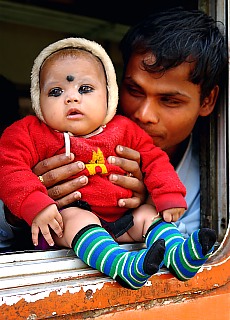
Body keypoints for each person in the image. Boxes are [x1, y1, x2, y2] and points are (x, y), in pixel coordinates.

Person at [0, 37, 216, 290]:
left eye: (85, 89)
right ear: (38, 101)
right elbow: (9, 167)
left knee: (148, 214)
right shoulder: (28, 133)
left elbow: (154, 160)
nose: (71, 99)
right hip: (69, 224)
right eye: (55, 92)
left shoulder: (125, 130)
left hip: (123, 220)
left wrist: (165, 193)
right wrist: (34, 203)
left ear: (108, 95)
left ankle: (179, 256)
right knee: (75, 218)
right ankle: (121, 265)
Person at [29, 7, 227, 239]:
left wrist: (149, 200)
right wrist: (27, 202)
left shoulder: (217, 183)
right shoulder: (54, 140)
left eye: (170, 100)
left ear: (207, 100)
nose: (144, 114)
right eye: (134, 90)